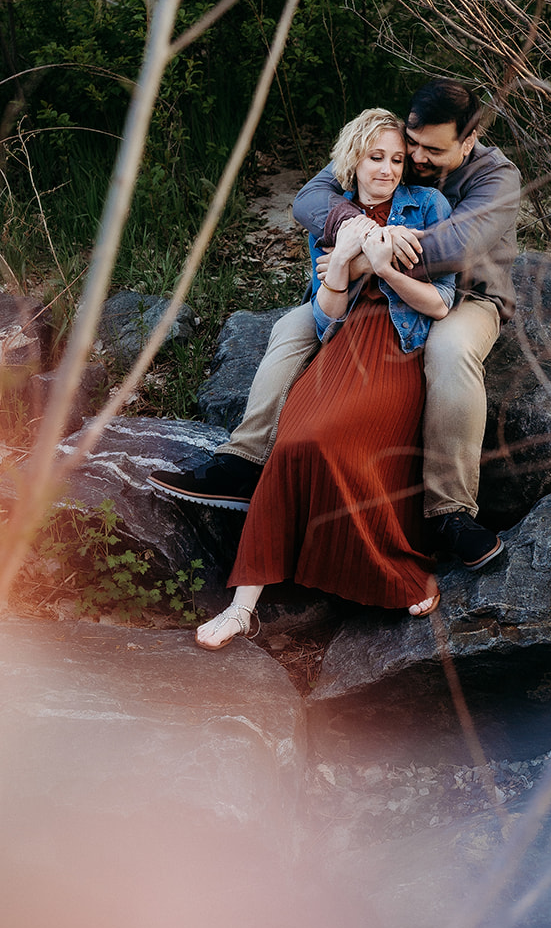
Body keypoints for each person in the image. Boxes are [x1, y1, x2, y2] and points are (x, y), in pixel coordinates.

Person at [150, 78, 521, 570]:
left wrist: (361, 258)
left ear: (468, 141)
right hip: (368, 292)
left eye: (433, 151)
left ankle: (449, 513)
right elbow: (309, 198)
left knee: (450, 351)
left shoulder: (497, 178)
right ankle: (242, 461)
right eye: (412, 144)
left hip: (463, 296)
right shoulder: (395, 146)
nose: (415, 158)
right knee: (290, 328)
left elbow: (454, 247)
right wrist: (355, 224)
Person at [193, 108, 455, 649]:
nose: (387, 170)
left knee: (338, 444)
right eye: (376, 157)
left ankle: (393, 571)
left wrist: (383, 268)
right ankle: (242, 608)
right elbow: (326, 318)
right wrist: (340, 266)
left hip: (399, 348)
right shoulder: (335, 217)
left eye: (397, 160)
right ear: (354, 159)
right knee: (294, 444)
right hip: (344, 344)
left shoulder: (429, 205)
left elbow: (439, 303)